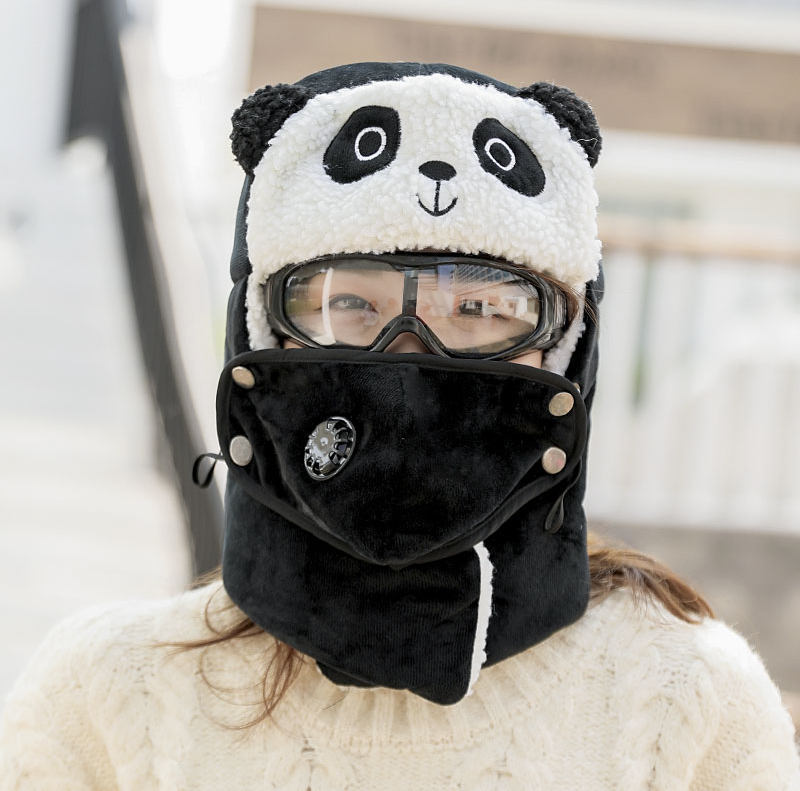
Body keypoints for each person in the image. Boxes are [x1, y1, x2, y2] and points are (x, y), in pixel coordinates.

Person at [1, 62, 798, 790]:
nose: (411, 359)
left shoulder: (686, 703)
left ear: (567, 353)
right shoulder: (105, 698)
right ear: (260, 334)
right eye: (351, 305)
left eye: (483, 309)